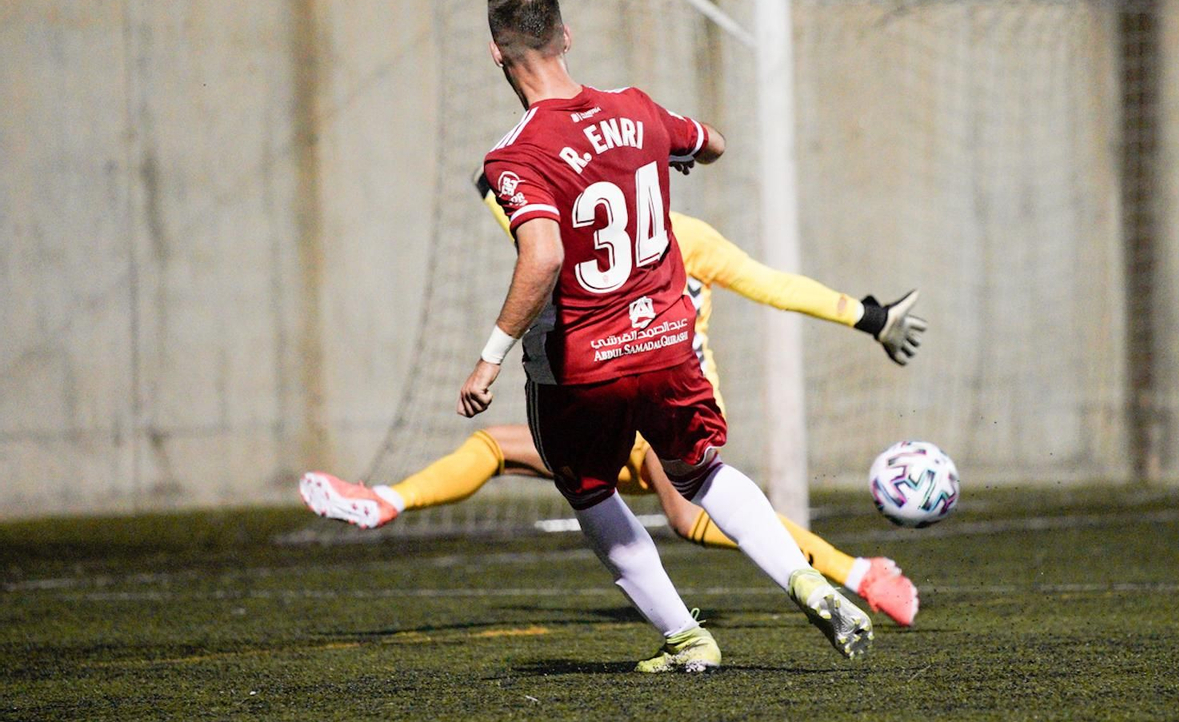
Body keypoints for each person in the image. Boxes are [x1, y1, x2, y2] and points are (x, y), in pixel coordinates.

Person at [457, 0, 873, 672]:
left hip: (583, 366)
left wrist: (490, 355)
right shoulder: (639, 108)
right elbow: (711, 142)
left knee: (589, 491)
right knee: (704, 474)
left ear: (498, 56)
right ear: (566, 37)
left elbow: (545, 251)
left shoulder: (514, 154)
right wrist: (675, 150)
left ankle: (686, 636)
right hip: (670, 342)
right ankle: (803, 578)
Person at [301, 194, 927, 626]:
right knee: (494, 447)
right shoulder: (596, 229)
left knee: (686, 515)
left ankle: (854, 574)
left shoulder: (662, 234)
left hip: (664, 402)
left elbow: (772, 284)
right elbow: (770, 284)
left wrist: (868, 316)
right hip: (611, 399)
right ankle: (385, 501)